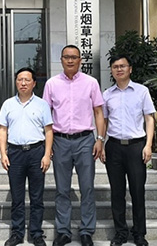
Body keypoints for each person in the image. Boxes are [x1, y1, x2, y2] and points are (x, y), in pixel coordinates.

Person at [43, 45, 106, 246]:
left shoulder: (91, 83)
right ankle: (63, 231)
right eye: (66, 57)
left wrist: (100, 139)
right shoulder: (52, 84)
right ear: (61, 59)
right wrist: (48, 144)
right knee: (62, 189)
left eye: (74, 57)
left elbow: (99, 112)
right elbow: (46, 116)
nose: (70, 60)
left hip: (85, 140)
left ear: (80, 60)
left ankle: (87, 231)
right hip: (60, 141)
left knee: (87, 188)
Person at [102, 54, 156, 246]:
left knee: (137, 191)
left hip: (136, 147)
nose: (119, 69)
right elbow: (104, 121)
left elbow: (149, 119)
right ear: (111, 71)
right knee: (117, 192)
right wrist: (101, 143)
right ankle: (120, 233)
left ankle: (139, 234)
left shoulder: (142, 91)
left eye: (122, 66)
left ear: (130, 69)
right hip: (114, 147)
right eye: (115, 67)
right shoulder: (107, 95)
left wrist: (148, 145)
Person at [0, 67, 53, 246]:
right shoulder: (8, 104)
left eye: (27, 80)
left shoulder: (42, 104)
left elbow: (49, 131)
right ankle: (17, 233)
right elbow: (2, 130)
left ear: (34, 83)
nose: (23, 83)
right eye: (19, 79)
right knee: (17, 197)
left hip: (36, 152)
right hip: (15, 153)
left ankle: (36, 233)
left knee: (37, 197)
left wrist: (47, 154)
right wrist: (3, 153)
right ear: (16, 82)